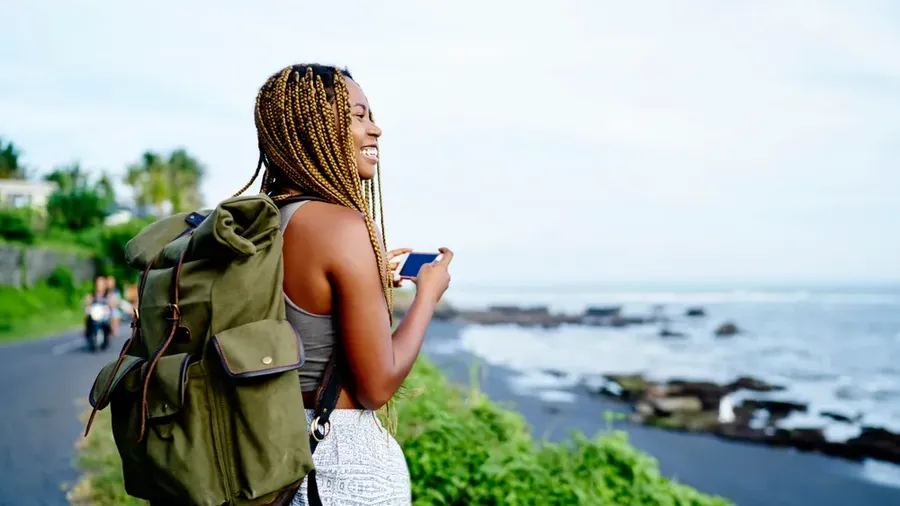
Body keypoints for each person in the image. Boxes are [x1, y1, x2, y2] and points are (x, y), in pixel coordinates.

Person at [239, 64, 453, 506]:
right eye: (357, 115)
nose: (375, 129)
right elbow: (376, 386)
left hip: (269, 456)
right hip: (342, 466)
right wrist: (427, 295)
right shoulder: (343, 227)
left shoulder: (260, 223)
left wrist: (367, 283)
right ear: (312, 128)